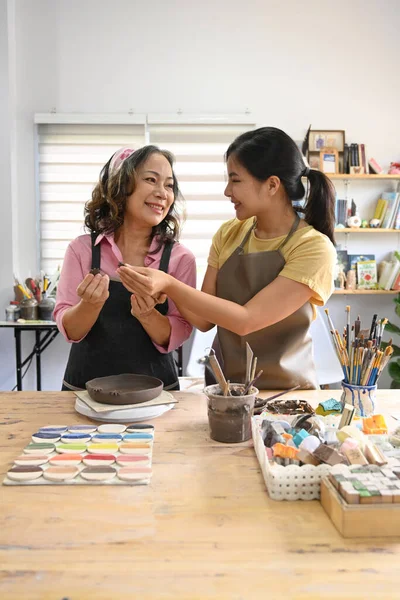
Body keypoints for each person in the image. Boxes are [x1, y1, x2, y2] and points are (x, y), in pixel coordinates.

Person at [117, 127, 337, 390]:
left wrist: (169, 284)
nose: (227, 191)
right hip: (226, 390)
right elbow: (203, 320)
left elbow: (246, 321)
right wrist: (164, 293)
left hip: (285, 395)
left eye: (235, 180)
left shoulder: (313, 247)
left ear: (272, 185)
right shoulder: (229, 233)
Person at [54, 145, 196, 391]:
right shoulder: (82, 250)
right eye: (151, 180)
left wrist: (148, 315)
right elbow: (70, 330)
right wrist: (90, 305)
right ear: (120, 187)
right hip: (84, 395)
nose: (163, 193)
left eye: (169, 185)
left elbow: (180, 332)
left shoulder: (180, 258)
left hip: (157, 399)